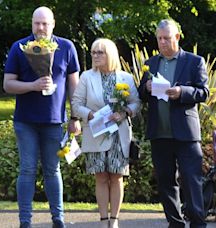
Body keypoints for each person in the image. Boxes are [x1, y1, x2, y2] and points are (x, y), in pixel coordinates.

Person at [3, 6, 81, 228]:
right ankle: (25, 222)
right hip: (25, 121)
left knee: (53, 170)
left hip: (54, 120)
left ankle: (59, 219)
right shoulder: (19, 47)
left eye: (45, 23)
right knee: (27, 169)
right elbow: (7, 84)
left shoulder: (66, 47)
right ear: (31, 24)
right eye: (37, 23)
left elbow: (73, 85)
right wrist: (32, 85)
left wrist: (75, 116)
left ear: (53, 24)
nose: (40, 28)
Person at [138, 19, 208, 228]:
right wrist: (147, 88)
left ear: (177, 37)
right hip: (159, 133)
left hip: (186, 134)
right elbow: (141, 93)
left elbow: (203, 92)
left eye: (166, 38)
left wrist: (182, 92)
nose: (162, 43)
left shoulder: (194, 61)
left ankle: (198, 223)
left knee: (191, 180)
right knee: (166, 181)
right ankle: (175, 223)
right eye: (159, 39)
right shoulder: (150, 63)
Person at [71, 38, 140, 228]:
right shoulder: (86, 77)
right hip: (95, 132)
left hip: (119, 134)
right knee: (100, 176)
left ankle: (115, 219)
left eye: (100, 52)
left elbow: (136, 103)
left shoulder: (125, 78)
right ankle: (103, 219)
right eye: (93, 52)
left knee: (116, 176)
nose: (95, 56)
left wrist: (125, 112)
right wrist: (91, 115)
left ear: (110, 54)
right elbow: (76, 104)